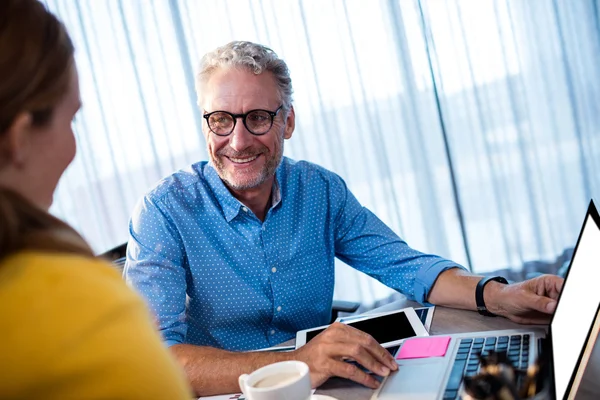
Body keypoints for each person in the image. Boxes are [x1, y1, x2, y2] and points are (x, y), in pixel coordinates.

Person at [124, 41, 564, 396]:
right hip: (231, 392)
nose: (237, 141)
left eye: (258, 118)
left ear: (288, 122)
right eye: (221, 120)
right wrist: (298, 363)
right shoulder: (164, 211)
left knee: (495, 385)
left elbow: (406, 265)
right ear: (206, 125)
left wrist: (498, 294)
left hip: (327, 386)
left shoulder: (320, 190)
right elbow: (159, 363)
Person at [0, 1, 191, 398]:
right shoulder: (74, 308)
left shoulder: (319, 188)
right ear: (19, 138)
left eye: (258, 118)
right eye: (71, 120)